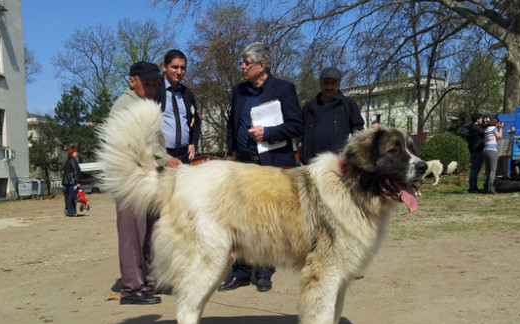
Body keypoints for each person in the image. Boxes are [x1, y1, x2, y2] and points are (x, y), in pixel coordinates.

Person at [220, 41, 304, 293]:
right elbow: (231, 123)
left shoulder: (284, 89)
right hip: (244, 164)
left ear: (261, 65)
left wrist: (268, 132)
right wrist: (232, 149)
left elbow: (296, 126)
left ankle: (265, 272)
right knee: (243, 218)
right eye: (243, 63)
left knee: (270, 220)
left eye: (246, 63)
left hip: (273, 165)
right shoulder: (239, 91)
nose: (242, 67)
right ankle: (241, 271)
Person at [110, 61, 182, 305]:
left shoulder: (143, 104)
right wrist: (167, 159)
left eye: (154, 85)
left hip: (146, 179)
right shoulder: (125, 107)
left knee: (150, 232)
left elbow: (155, 144)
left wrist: (165, 160)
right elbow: (140, 146)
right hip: (131, 182)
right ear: (132, 81)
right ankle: (132, 288)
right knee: (132, 235)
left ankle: (149, 281)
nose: (151, 89)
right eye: (147, 84)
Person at [299, 67, 364, 165]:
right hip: (312, 163)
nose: (329, 87)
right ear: (320, 83)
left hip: (338, 163)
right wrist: (300, 145)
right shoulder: (309, 107)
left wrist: (351, 153)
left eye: (333, 83)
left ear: (339, 83)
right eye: (326, 82)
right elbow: (299, 130)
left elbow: (358, 130)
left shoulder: (348, 104)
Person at [154, 49, 201, 164]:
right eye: (175, 67)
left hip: (184, 155)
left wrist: (193, 143)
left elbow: (196, 121)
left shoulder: (187, 93)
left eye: (183, 68)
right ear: (165, 67)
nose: (179, 72)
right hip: (162, 155)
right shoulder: (155, 90)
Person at [483, 116, 504, 194]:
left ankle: (485, 188)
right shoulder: (494, 129)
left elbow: (495, 138)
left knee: (487, 171)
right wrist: (501, 128)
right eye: (498, 123)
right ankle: (492, 188)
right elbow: (500, 136)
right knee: (493, 170)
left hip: (485, 150)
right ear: (496, 123)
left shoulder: (487, 129)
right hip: (492, 151)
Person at [466, 113, 485, 194]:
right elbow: (485, 132)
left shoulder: (472, 127)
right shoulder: (476, 128)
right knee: (475, 170)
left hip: (474, 150)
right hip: (477, 150)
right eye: (480, 118)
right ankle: (473, 188)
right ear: (477, 119)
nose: (481, 119)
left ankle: (473, 187)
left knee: (474, 170)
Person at [62, 147, 82, 217]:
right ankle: (72, 212)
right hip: (72, 182)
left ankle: (69, 211)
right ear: (72, 153)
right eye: (75, 152)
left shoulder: (67, 161)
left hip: (67, 182)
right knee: (72, 197)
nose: (76, 153)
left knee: (68, 197)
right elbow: (75, 172)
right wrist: (78, 182)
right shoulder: (73, 161)